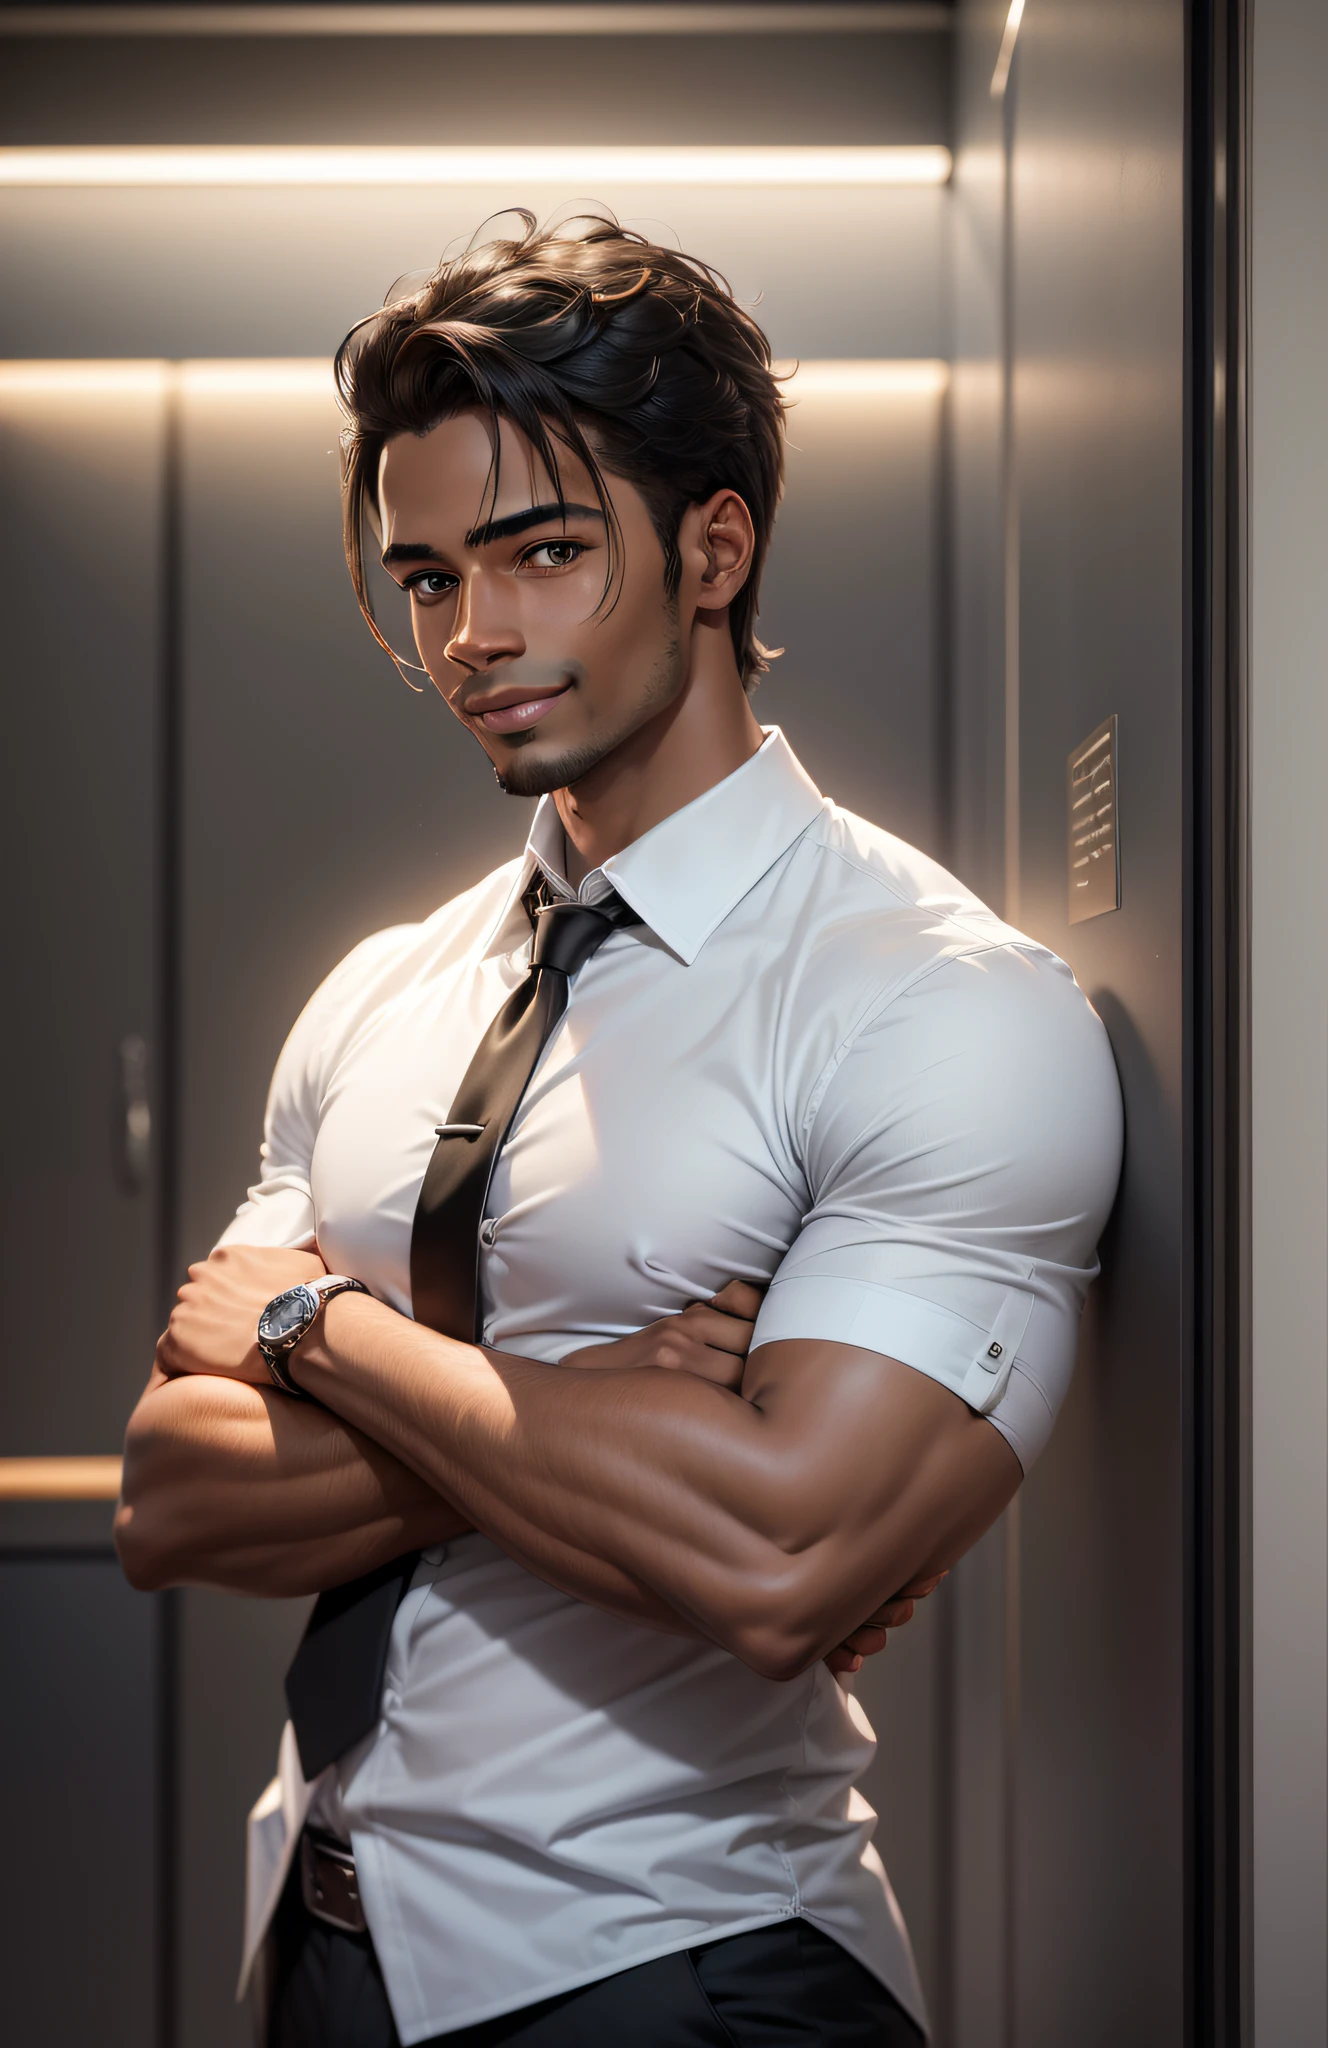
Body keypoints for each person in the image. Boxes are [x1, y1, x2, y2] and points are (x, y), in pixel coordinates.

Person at [115, 214, 1122, 2048]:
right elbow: (171, 1496)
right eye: (426, 579)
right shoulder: (380, 991)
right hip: (314, 1945)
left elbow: (774, 1564)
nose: (473, 635)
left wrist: (315, 1335)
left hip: (678, 1972)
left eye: (545, 553)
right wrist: (607, 1414)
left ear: (713, 549)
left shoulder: (946, 1003)